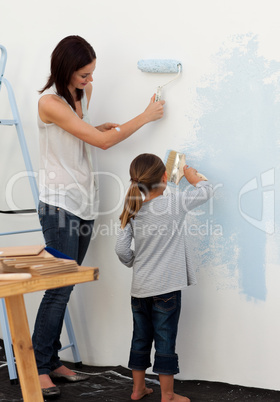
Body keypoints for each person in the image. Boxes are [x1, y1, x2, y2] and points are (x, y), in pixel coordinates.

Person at [32, 36, 165, 398]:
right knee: (58, 289)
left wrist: (95, 126)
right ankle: (38, 367)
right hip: (59, 204)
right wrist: (146, 116)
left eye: (92, 74)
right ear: (64, 69)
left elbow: (86, 136)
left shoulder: (80, 97)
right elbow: (101, 143)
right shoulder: (50, 102)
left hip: (84, 203)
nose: (89, 81)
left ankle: (51, 359)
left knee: (67, 285)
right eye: (83, 75)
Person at [115, 153, 213, 402]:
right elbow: (205, 191)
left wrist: (134, 262)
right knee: (165, 341)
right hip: (166, 290)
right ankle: (167, 395)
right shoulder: (174, 204)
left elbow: (122, 250)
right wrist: (192, 177)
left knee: (140, 338)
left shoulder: (132, 209)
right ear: (165, 177)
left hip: (139, 290)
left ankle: (137, 390)